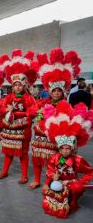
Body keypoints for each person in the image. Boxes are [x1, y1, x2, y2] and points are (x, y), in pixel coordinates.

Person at [29, 48, 82, 189]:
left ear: (63, 92)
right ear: (50, 91)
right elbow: (30, 113)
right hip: (39, 138)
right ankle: (36, 180)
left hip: (54, 141)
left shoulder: (66, 106)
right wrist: (37, 113)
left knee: (52, 162)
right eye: (54, 91)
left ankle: (50, 181)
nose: (57, 93)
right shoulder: (42, 102)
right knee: (37, 159)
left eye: (59, 91)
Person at [41, 101, 93, 219]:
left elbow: (89, 172)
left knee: (76, 188)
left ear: (72, 149)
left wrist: (79, 182)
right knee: (47, 193)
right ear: (59, 148)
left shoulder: (78, 160)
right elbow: (49, 170)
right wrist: (51, 178)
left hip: (71, 183)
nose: (65, 151)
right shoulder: (54, 158)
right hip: (58, 182)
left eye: (67, 148)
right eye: (62, 148)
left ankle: (73, 199)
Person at [0, 49, 38, 184]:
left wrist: (17, 113)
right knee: (8, 152)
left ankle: (24, 175)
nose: (17, 87)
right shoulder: (8, 97)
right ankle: (4, 171)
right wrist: (7, 110)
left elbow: (33, 112)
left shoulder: (29, 98)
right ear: (13, 86)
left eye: (20, 85)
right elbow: (2, 109)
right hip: (10, 131)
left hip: (22, 131)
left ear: (24, 85)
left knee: (23, 153)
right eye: (15, 85)